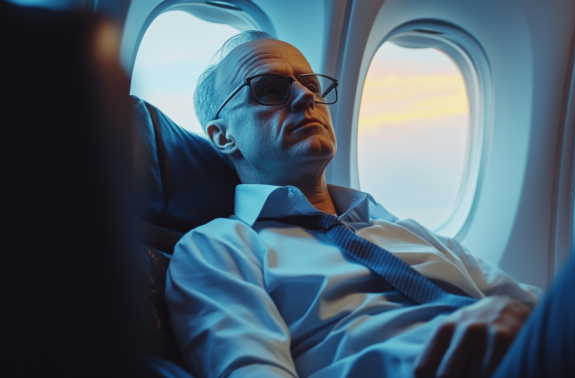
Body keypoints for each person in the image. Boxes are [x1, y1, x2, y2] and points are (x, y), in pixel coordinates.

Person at [166, 30, 540, 378]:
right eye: (270, 89)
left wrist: (527, 320)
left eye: (310, 84)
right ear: (222, 136)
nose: (306, 96)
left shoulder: (406, 230)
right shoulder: (218, 248)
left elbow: (536, 306)